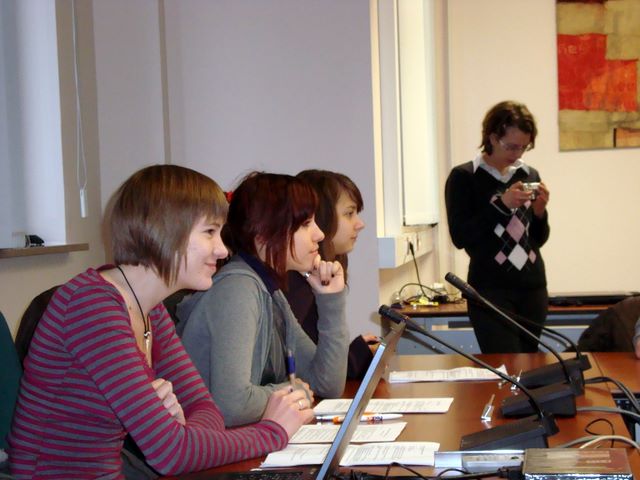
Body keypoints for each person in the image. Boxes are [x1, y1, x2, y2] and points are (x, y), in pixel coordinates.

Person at [8, 165, 313, 479]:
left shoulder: (149, 309)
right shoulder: (92, 306)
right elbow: (171, 454)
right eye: (209, 232)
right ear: (166, 231)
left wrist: (185, 434)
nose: (222, 249)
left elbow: (205, 409)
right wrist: (273, 431)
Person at [177, 172, 349, 427]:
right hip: (210, 445)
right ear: (264, 233)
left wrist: (331, 301)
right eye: (305, 224)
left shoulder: (269, 291)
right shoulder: (238, 290)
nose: (320, 234)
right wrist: (293, 391)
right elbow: (232, 405)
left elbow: (327, 384)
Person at [444, 101, 550, 353]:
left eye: (524, 147)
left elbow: (537, 240)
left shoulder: (529, 174)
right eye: (511, 146)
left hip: (533, 288)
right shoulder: (464, 177)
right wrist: (502, 205)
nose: (517, 154)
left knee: (531, 363)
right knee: (504, 363)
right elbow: (460, 236)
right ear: (492, 137)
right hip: (489, 289)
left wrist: (539, 212)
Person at [284, 169, 375, 379]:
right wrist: (354, 358)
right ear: (322, 218)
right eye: (349, 213)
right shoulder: (296, 281)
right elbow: (303, 370)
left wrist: (354, 354)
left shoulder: (327, 268)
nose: (360, 224)